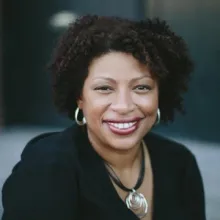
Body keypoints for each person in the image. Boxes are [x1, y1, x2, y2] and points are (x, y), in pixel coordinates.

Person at [1, 15, 206, 220]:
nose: (124, 106)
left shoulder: (179, 163)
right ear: (80, 97)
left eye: (142, 87)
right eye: (104, 88)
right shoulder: (46, 169)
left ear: (159, 94)